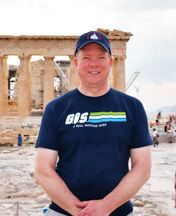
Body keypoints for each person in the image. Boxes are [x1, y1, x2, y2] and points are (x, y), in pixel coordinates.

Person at [35, 31, 152, 216]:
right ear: (76, 63)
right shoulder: (55, 109)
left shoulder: (133, 107)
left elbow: (143, 167)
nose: (94, 63)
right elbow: (43, 169)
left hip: (117, 212)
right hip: (64, 211)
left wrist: (106, 206)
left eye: (101, 57)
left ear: (111, 62)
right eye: (86, 57)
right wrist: (79, 211)